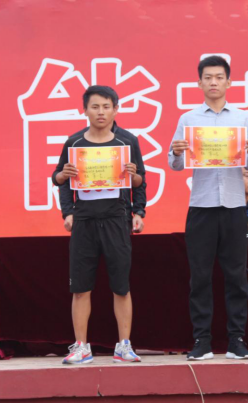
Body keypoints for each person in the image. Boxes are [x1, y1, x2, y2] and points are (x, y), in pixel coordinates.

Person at [168, 56, 248, 361]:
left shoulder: (243, 117)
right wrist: (177, 153)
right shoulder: (188, 119)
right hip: (202, 205)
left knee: (236, 276)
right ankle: (202, 340)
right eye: (207, 77)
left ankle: (236, 339)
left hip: (234, 205)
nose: (213, 82)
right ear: (199, 83)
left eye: (219, 77)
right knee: (200, 277)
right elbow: (175, 164)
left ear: (229, 82)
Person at [52, 85, 145, 364]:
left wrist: (138, 210)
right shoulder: (74, 143)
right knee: (80, 287)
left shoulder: (127, 141)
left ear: (116, 109)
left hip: (117, 218)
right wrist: (67, 212)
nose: (101, 112)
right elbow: (60, 178)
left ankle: (124, 345)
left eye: (106, 106)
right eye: (95, 106)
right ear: (85, 110)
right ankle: (81, 346)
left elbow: (140, 180)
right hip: (84, 220)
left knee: (121, 286)